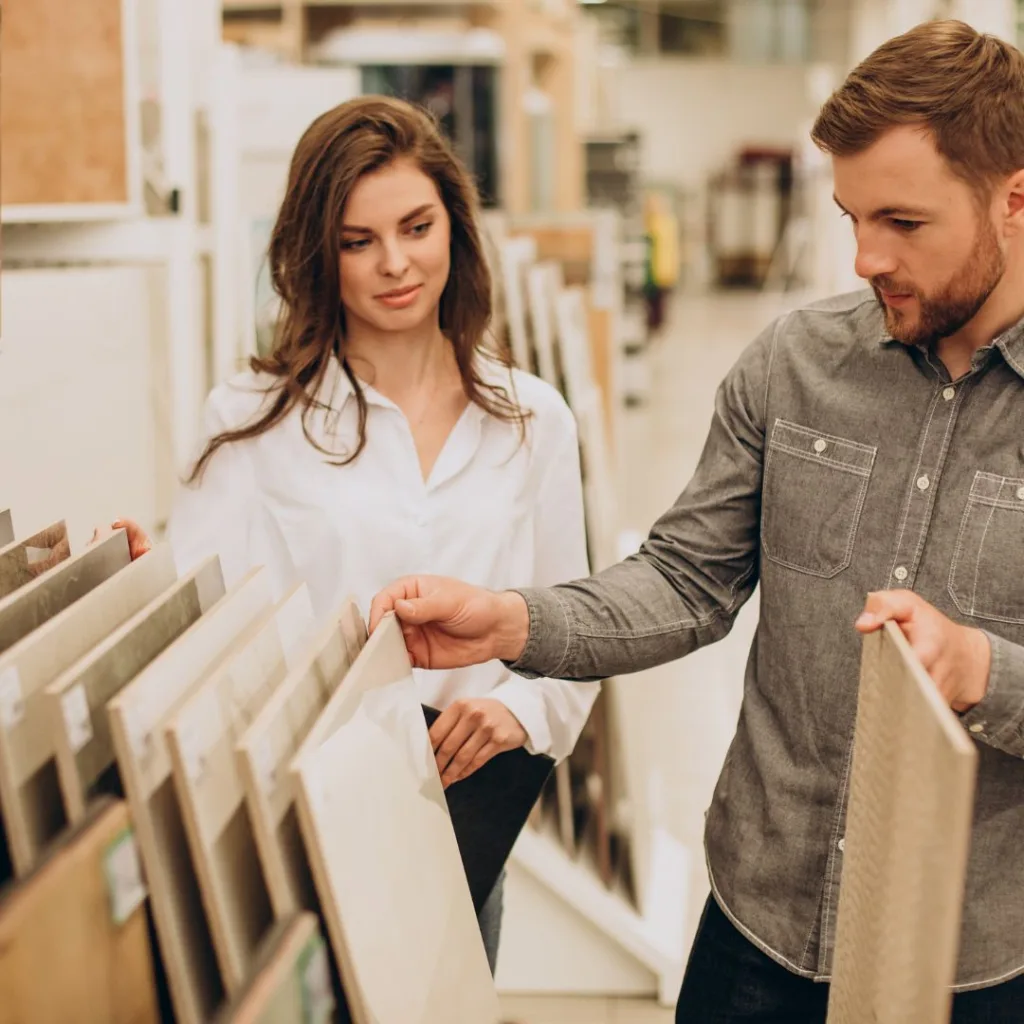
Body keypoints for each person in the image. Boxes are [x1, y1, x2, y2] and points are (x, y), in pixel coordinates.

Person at [370, 21, 1024, 1023]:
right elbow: (686, 578)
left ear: (1014, 199)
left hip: (974, 964)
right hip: (757, 930)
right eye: (850, 216)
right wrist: (511, 620)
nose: (862, 257)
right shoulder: (794, 364)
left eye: (901, 222)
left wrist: (981, 669)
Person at [105, 95, 598, 974]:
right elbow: (210, 627)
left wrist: (517, 711)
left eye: (416, 226)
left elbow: (577, 625)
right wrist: (146, 594)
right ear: (315, 254)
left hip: (462, 824)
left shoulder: (534, 421)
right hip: (304, 821)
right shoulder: (252, 423)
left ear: (456, 225)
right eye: (356, 240)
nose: (396, 264)